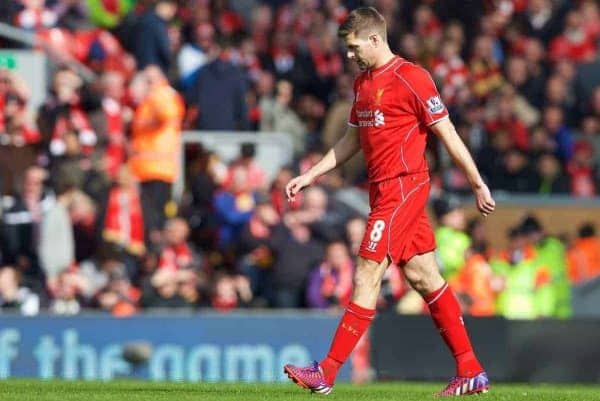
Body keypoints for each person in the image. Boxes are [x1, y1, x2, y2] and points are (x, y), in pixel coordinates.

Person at [282, 7, 495, 397]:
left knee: (367, 270)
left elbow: (446, 131)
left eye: (353, 47)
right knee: (423, 276)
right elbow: (351, 141)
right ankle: (470, 369)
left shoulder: (412, 78)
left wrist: (477, 183)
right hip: (381, 190)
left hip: (404, 187)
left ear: (375, 39)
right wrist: (310, 175)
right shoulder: (363, 83)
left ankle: (326, 372)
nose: (349, 55)